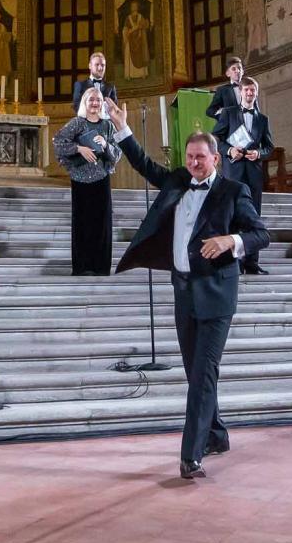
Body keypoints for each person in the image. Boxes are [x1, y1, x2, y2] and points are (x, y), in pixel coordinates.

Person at [107, 100, 270, 480]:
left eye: (201, 157)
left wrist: (231, 240)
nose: (195, 162)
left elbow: (261, 234)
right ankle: (216, 434)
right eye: (190, 157)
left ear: (216, 158)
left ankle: (190, 454)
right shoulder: (179, 181)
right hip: (183, 293)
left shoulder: (234, 191)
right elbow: (145, 166)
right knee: (194, 371)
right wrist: (122, 128)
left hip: (216, 296)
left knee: (202, 375)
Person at [54, 87, 121, 275]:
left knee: (102, 225)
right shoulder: (77, 123)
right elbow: (58, 142)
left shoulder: (108, 126)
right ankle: (82, 266)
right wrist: (79, 148)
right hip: (79, 179)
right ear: (85, 102)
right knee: (82, 224)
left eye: (98, 100)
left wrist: (106, 144)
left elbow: (117, 154)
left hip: (101, 178)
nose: (95, 103)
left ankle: (100, 267)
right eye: (91, 99)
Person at [213, 77, 273, 275]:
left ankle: (252, 263)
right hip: (234, 173)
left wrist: (260, 153)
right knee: (232, 216)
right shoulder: (228, 113)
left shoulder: (263, 119)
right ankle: (234, 263)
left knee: (254, 217)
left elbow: (269, 147)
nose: (249, 93)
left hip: (254, 174)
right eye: (246, 90)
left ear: (256, 93)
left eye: (252, 90)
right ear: (240, 92)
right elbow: (216, 139)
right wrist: (229, 151)